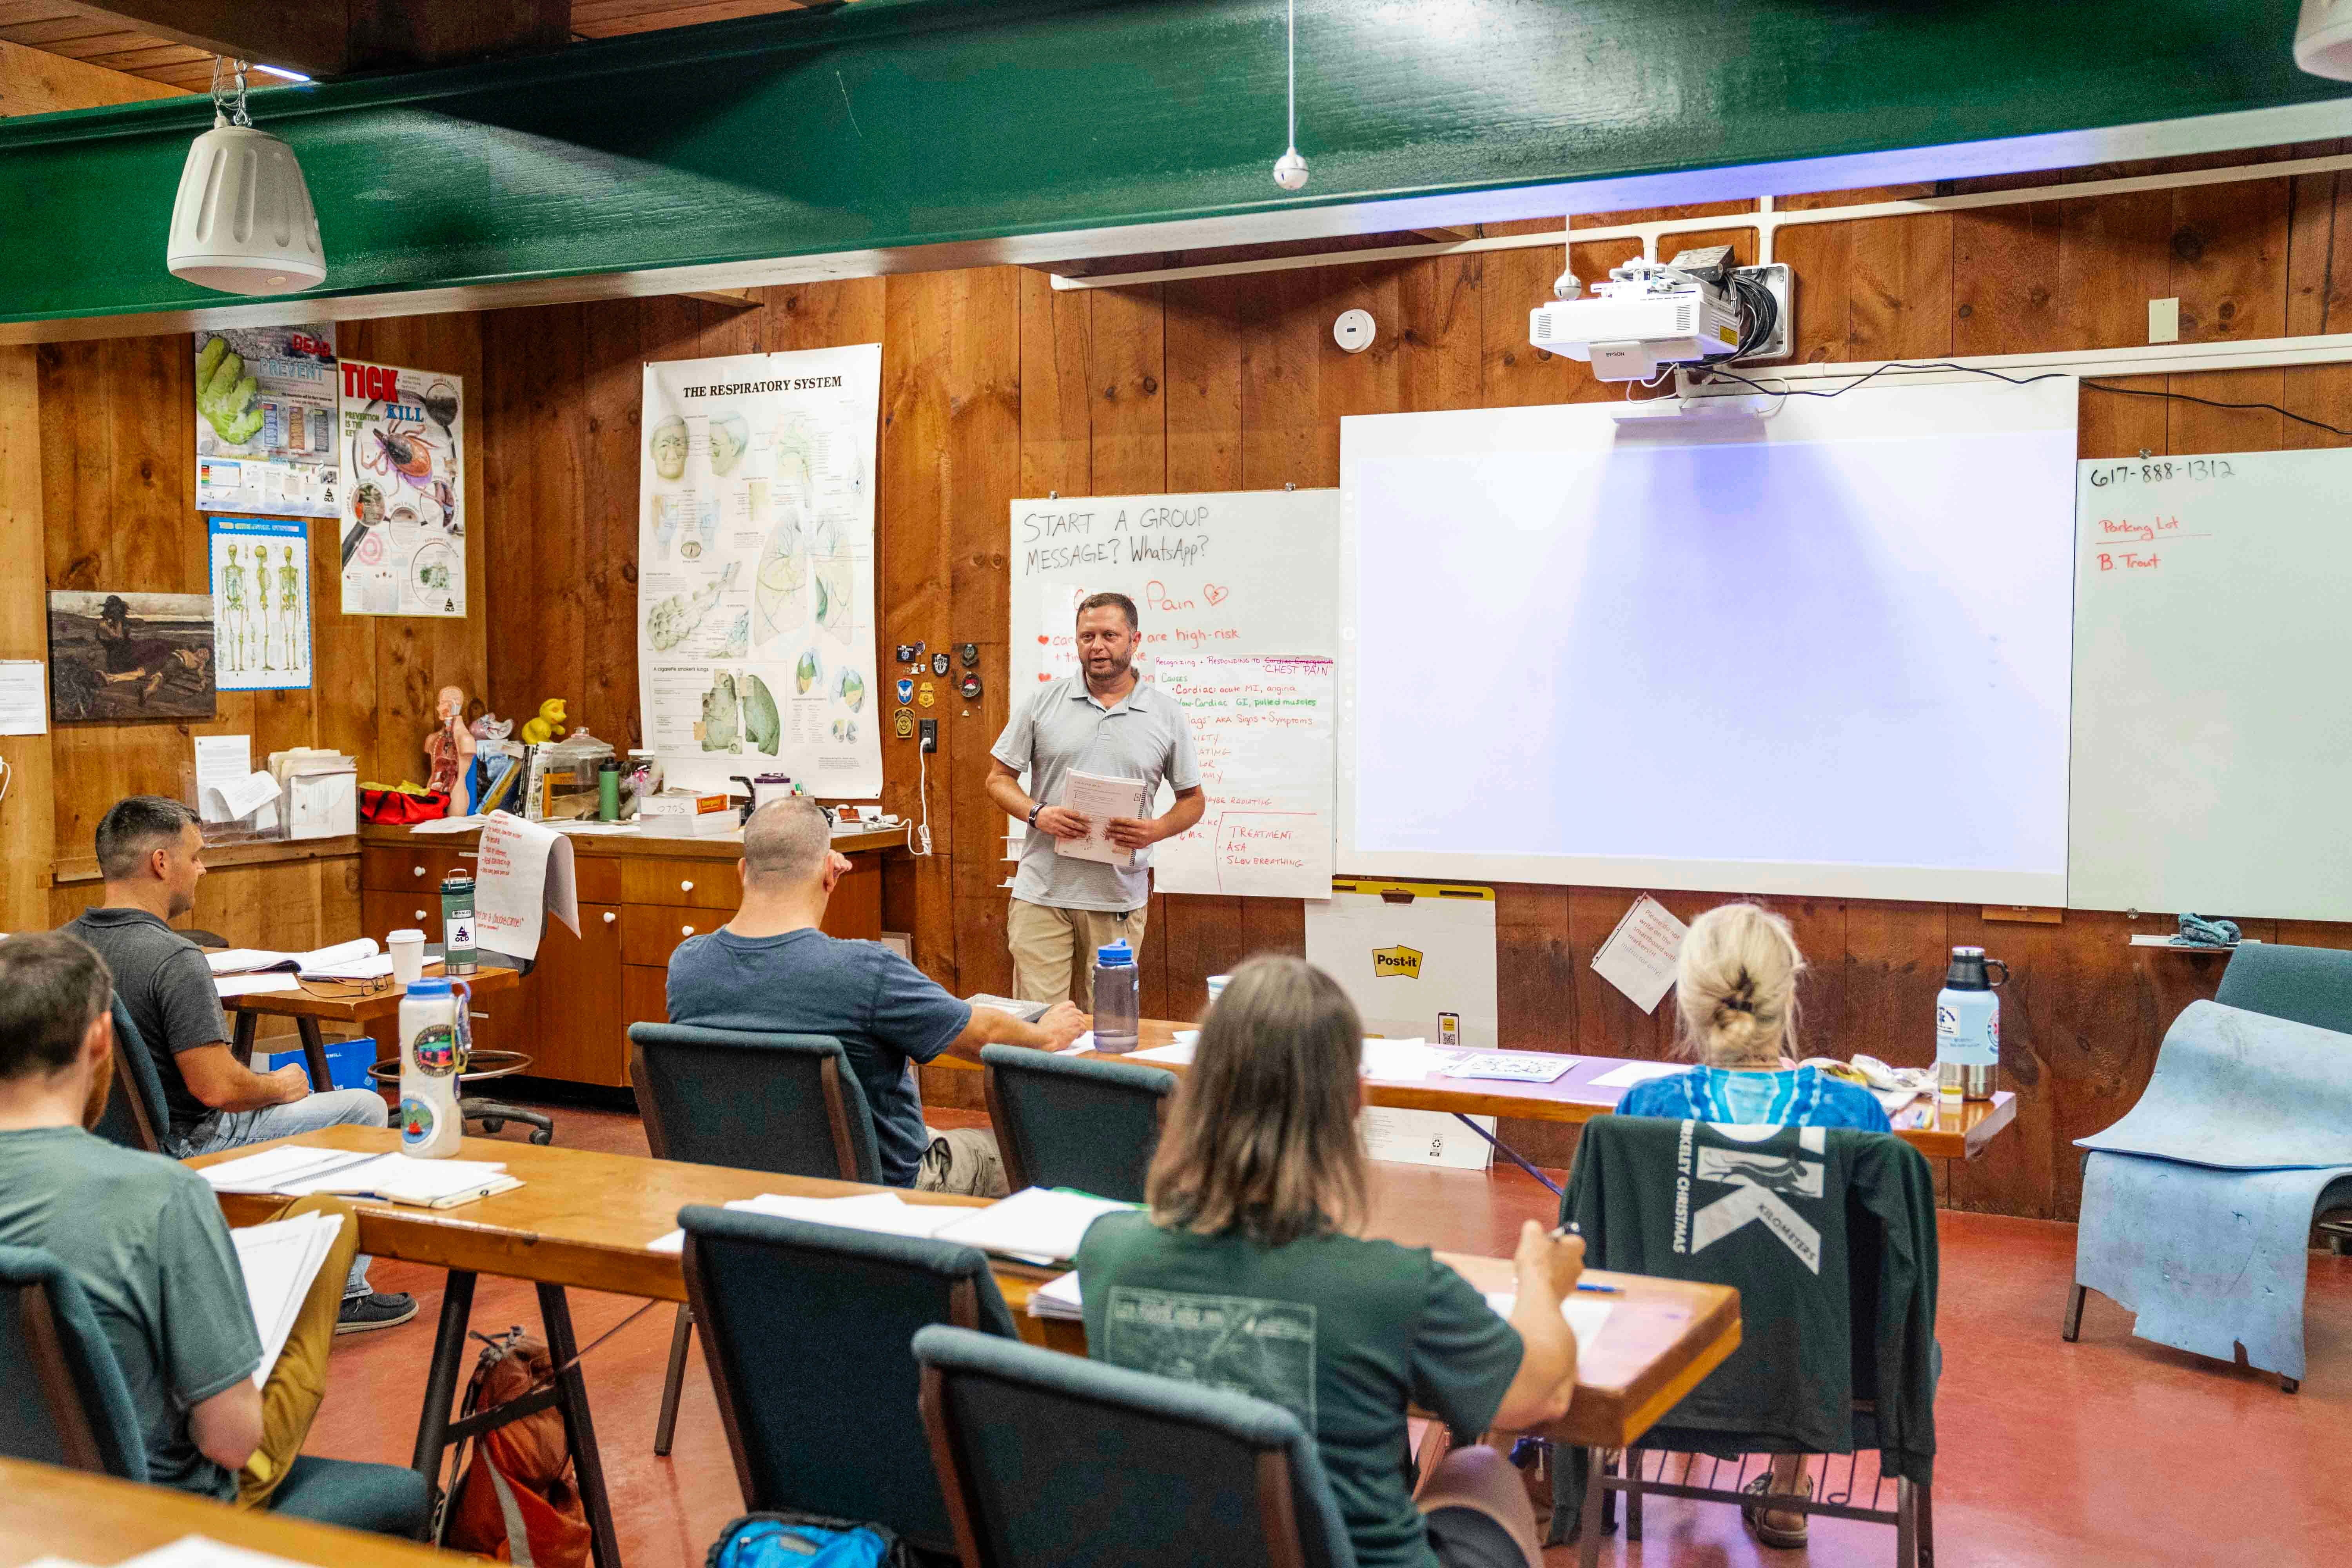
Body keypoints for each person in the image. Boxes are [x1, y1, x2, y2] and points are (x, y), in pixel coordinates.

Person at [1077, 956, 1582, 1568]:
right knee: (1480, 1468)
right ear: (1353, 1102)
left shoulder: (1107, 1252)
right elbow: (1540, 1397)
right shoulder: (1394, 1286)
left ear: (1196, 1093)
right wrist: (1540, 1281)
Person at [0, 931, 364, 1509]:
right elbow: (229, 1442)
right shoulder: (164, 1197)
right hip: (153, 1515)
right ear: (101, 1040)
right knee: (332, 1216)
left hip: (19, 1507)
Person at [61, 795, 414, 1333]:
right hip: (181, 1146)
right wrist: (278, 1085)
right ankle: (345, 1295)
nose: (202, 869)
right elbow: (218, 1091)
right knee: (364, 1108)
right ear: (161, 863)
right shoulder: (176, 960)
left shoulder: (60, 949)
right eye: (196, 856)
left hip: (91, 1147)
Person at [1617, 901, 1890, 1550]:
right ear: (1788, 995)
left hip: (1667, 1370)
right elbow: (1883, 1279)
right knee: (1811, 1293)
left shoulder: (1640, 1111)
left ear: (1688, 1000)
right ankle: (1789, 1492)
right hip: (1821, 1379)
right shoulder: (1856, 1114)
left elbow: (1601, 1261)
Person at [666, 799, 1088, 1195]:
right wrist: (1048, 1035)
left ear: (743, 871)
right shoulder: (865, 970)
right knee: (1050, 1148)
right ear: (831, 873)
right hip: (876, 1188)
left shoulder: (687, 965)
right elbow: (984, 1036)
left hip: (740, 1182)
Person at [984, 591, 1207, 1007]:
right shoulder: (1042, 703)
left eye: (1109, 636)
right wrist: (1038, 814)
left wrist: (1156, 830)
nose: (1097, 647)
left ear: (1135, 640)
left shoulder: (1166, 714)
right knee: (1038, 1024)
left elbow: (1193, 800)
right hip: (1041, 895)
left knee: (1109, 1024)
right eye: (1087, 637)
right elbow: (998, 779)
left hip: (1117, 900)